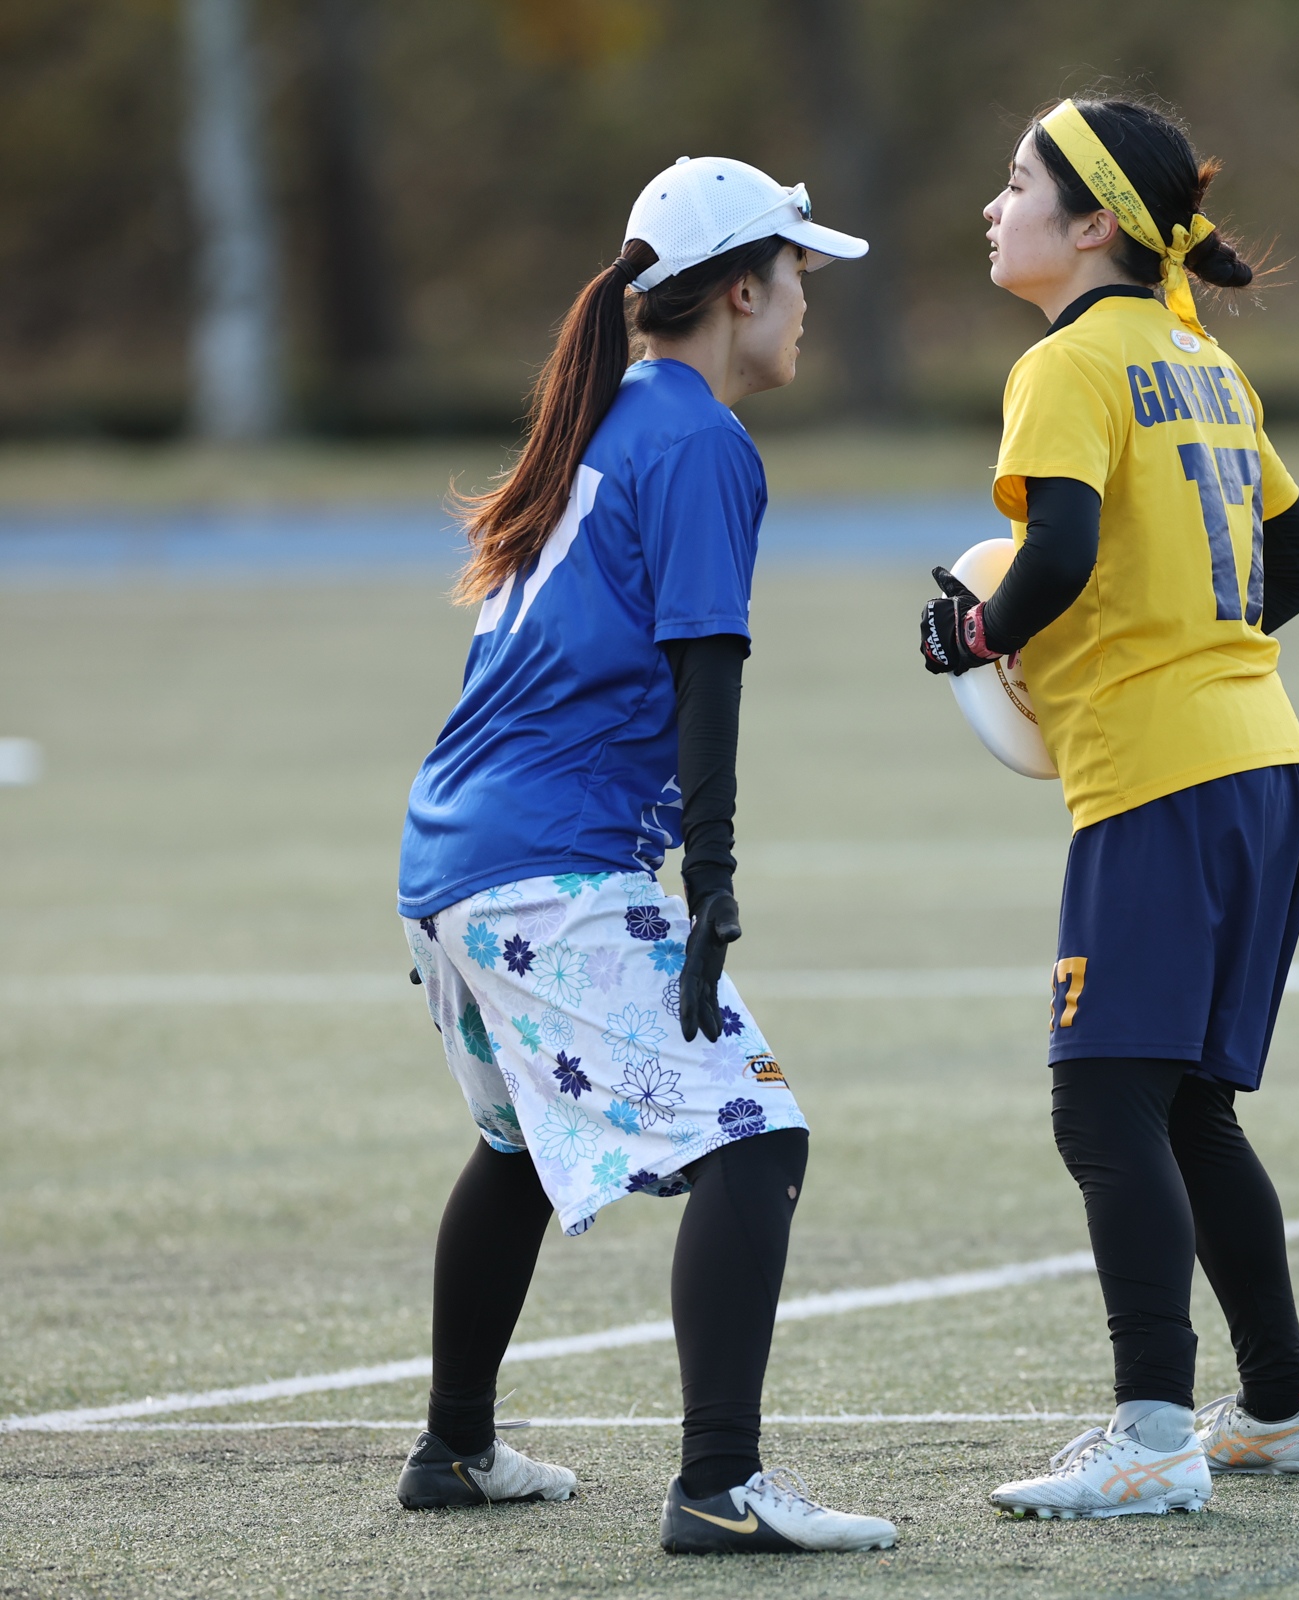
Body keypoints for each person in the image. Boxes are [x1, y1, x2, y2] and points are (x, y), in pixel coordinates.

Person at [394, 156, 897, 1555]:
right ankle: (720, 1486)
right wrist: (715, 878)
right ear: (740, 291)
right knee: (756, 1135)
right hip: (546, 867)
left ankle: (456, 1448)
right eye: (796, 273)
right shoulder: (696, 440)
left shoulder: (606, 421)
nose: (807, 299)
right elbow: (705, 667)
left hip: (450, 862)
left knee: (517, 1143)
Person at [919, 96, 1299, 1520]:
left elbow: (1057, 555)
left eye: (1015, 182)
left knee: (1104, 1108)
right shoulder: (1201, 360)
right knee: (1189, 1112)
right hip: (1269, 760)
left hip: (1163, 781)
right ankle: (1277, 1409)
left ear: (1093, 221)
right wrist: (1183, 648)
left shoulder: (1068, 360)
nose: (994, 207)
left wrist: (972, 637)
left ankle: (1154, 1435)